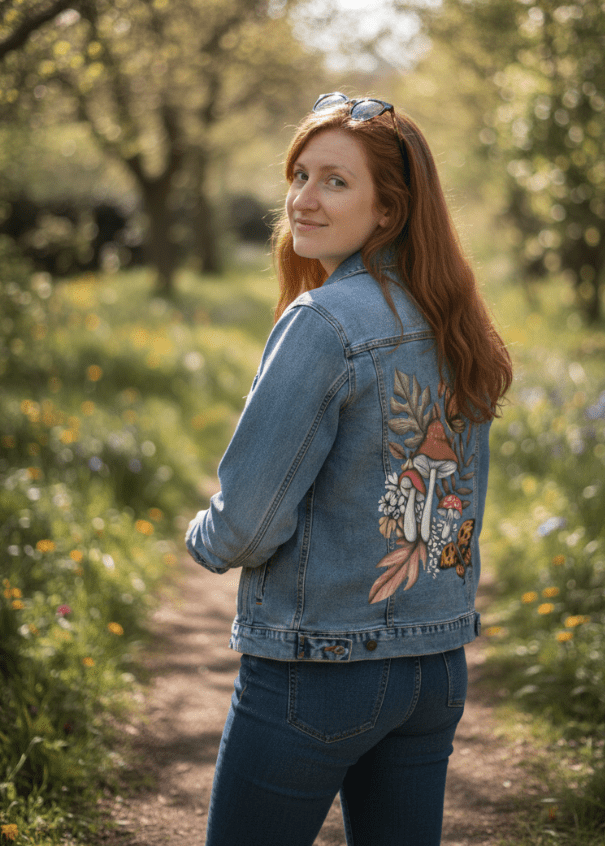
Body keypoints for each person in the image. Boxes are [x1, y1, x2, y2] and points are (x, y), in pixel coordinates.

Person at [185, 92, 512, 846]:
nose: (303, 199)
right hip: (434, 667)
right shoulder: (452, 319)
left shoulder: (323, 321)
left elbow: (247, 525)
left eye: (336, 181)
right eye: (298, 175)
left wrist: (202, 539)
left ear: (390, 209)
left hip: (318, 668)